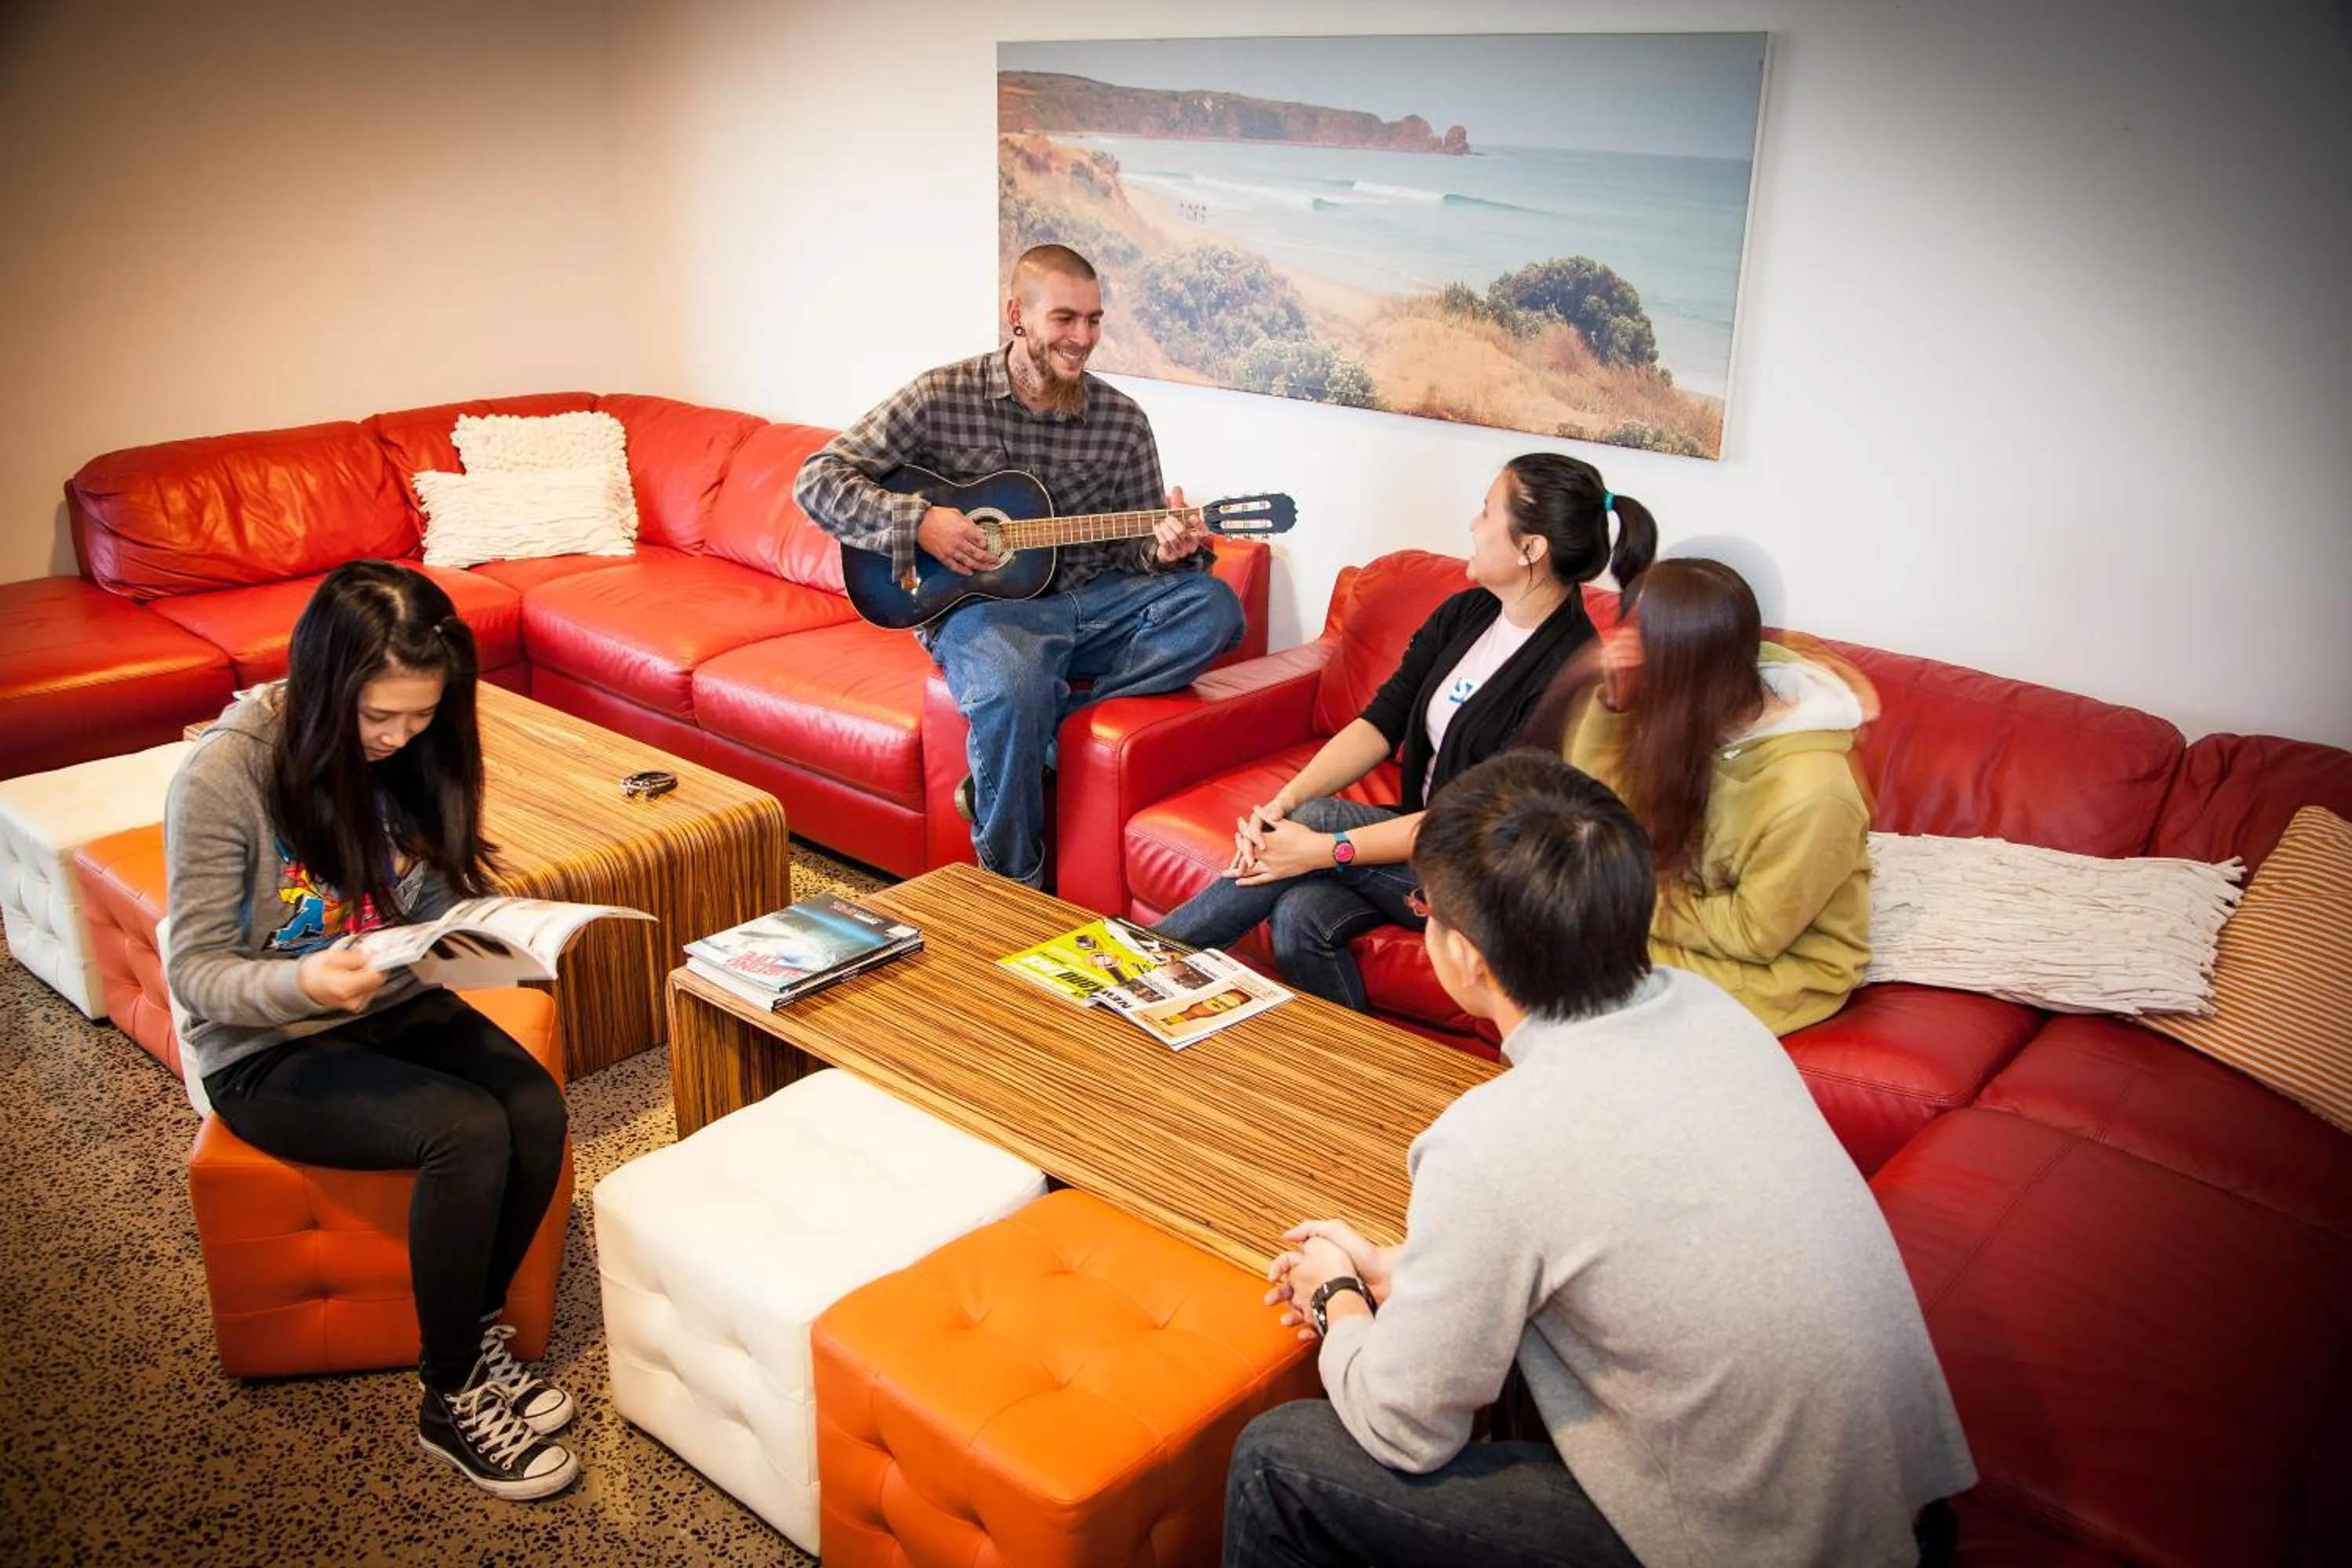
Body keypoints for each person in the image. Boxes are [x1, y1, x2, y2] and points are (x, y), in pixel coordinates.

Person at [1225, 750, 1975, 1568]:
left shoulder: (1491, 1140)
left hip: (1772, 1545)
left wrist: (1337, 1296)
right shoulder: (1710, 1009)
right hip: (1912, 1515)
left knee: (1278, 1459)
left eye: (1427, 908)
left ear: (1467, 957)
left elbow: (1403, 1428)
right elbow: (1619, 1220)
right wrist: (1408, 1267)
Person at [164, 561, 577, 1501]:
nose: (396, 739)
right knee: (464, 1131)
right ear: (321, 684)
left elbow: (424, 896)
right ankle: (449, 1392)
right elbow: (195, 970)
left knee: (535, 1108)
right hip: (267, 1045)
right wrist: (301, 977)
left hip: (389, 995)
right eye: (376, 717)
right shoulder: (225, 775)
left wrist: (488, 928)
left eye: (420, 718)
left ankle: (471, 1333)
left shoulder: (413, 752)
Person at [793, 242, 1245, 887]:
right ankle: (1014, 885)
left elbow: (1134, 548)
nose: (1083, 337)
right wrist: (920, 521)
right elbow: (818, 479)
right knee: (1013, 686)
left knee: (1215, 608)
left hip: (1093, 605)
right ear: (1018, 316)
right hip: (981, 611)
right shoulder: (940, 396)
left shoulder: (1121, 421)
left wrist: (1167, 546)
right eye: (1065, 319)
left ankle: (1050, 743)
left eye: (1093, 320)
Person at [1153, 452, 1653, 1009]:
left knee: (1317, 820)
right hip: (1420, 842)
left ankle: (1145, 961)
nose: (1473, 524)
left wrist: (1323, 848)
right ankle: (1351, 1080)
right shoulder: (1467, 615)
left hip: (1491, 873)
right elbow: (1378, 724)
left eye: (1487, 512)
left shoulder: (1570, 671)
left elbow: (1479, 824)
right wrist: (1277, 808)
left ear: (1530, 548)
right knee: (1302, 915)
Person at [1532, 555, 1875, 1033]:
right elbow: (1600, 809)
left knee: (1566, 974)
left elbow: (1753, 933)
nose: (1618, 652)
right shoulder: (1695, 712)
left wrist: (1622, 899)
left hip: (1776, 968)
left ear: (1681, 670)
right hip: (1682, 908)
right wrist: (1613, 703)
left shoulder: (1813, 794)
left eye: (1638, 644)